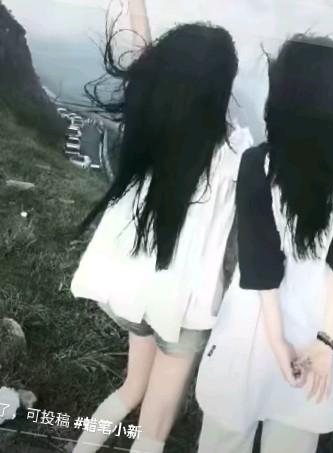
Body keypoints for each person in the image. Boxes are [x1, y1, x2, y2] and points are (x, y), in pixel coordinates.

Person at [70, 1, 252, 452]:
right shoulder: (234, 151)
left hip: (134, 289)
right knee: (153, 428)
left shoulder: (150, 120)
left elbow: (142, 56)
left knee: (130, 389)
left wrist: (136, 8)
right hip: (185, 307)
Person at [196, 34, 333, 453]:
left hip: (254, 323)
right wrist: (326, 342)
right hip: (320, 330)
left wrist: (277, 343)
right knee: (294, 438)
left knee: (225, 438)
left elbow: (260, 265)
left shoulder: (258, 163)